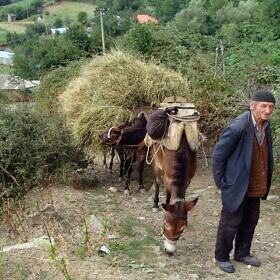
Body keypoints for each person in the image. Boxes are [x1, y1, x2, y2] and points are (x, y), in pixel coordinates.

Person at [212, 90, 276, 273]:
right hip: (237, 185)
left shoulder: (265, 125)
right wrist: (221, 182)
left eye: (271, 107)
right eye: (263, 106)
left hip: (255, 185)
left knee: (250, 221)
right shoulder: (239, 126)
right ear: (252, 106)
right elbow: (218, 155)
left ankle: (242, 253)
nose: (267, 110)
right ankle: (221, 256)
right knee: (230, 223)